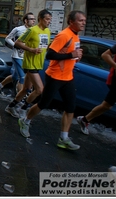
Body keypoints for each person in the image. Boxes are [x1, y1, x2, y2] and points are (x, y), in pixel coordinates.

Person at [18, 10, 85, 151]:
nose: (83, 22)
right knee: (43, 103)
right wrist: (70, 54)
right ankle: (26, 120)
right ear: (71, 22)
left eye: (84, 20)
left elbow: (68, 54)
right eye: (80, 20)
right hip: (55, 76)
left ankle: (64, 138)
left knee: (71, 108)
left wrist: (76, 56)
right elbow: (51, 54)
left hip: (68, 77)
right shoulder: (64, 35)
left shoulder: (75, 36)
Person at [4, 9, 52, 118]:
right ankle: (24, 108)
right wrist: (31, 50)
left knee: (26, 89)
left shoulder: (48, 32)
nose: (49, 21)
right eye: (47, 19)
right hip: (29, 63)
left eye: (50, 20)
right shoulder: (32, 30)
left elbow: (46, 47)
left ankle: (11, 107)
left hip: (39, 63)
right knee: (39, 89)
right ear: (40, 19)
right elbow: (18, 42)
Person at [77, 42, 116, 135]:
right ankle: (84, 120)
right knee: (107, 105)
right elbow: (105, 55)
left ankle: (85, 119)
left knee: (107, 105)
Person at [0, 12, 35, 96]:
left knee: (15, 77)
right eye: (31, 19)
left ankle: (0, 85)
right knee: (22, 77)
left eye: (34, 19)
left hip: (26, 56)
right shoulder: (18, 29)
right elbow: (7, 38)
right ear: (26, 21)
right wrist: (15, 45)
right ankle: (20, 98)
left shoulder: (34, 30)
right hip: (17, 56)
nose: (34, 21)